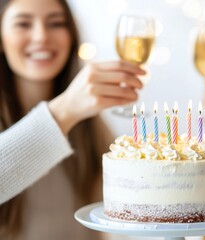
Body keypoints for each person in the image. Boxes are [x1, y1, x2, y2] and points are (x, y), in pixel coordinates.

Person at [0, 0, 144, 239]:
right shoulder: (73, 110)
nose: (41, 37)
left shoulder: (89, 124)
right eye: (23, 24)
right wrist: (66, 108)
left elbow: (131, 202)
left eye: (56, 23)